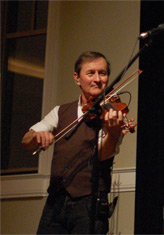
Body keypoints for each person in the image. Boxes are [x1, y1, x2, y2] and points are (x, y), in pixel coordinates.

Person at [22, 51, 128, 234]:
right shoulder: (60, 111)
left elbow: (102, 154)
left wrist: (113, 132)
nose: (97, 79)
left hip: (89, 203)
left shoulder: (112, 114)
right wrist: (37, 136)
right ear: (77, 78)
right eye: (91, 73)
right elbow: (26, 141)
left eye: (102, 73)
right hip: (55, 201)